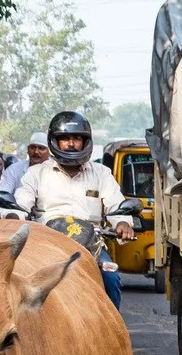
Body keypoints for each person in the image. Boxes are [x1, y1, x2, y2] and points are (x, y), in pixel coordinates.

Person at [14, 112, 134, 308]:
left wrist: (122, 222)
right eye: (65, 138)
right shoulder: (36, 173)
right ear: (55, 141)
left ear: (85, 141)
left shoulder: (101, 173)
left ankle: (112, 335)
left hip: (90, 245)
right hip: (46, 242)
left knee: (111, 279)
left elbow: (115, 203)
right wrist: (14, 215)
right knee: (19, 283)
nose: (71, 143)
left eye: (77, 138)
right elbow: (22, 200)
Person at [0, 132, 50, 218]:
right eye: (32, 147)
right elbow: (2, 193)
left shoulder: (56, 171)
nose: (36, 152)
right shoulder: (14, 170)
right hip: (18, 218)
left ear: (49, 152)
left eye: (41, 148)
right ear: (27, 149)